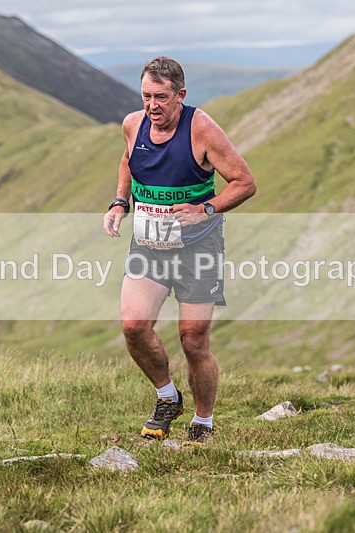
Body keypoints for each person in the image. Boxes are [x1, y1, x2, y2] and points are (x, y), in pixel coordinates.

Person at [103, 56, 256, 446]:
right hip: (149, 246)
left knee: (193, 340)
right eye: (146, 96)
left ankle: (203, 421)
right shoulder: (132, 124)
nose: (152, 105)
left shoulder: (201, 129)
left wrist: (205, 208)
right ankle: (167, 398)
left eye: (161, 97)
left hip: (197, 248)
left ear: (180, 95)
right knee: (134, 328)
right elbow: (127, 160)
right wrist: (120, 202)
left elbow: (244, 182)